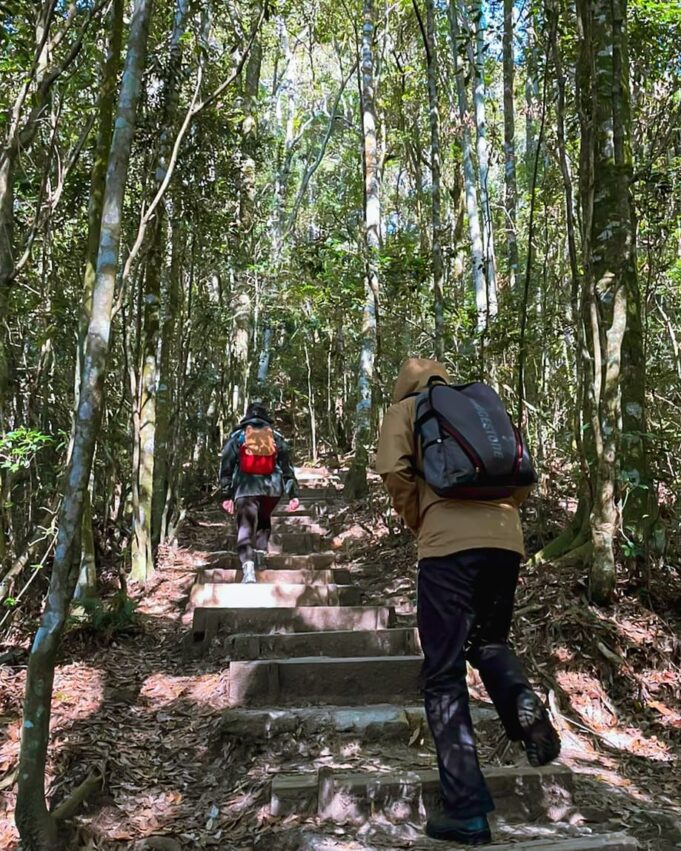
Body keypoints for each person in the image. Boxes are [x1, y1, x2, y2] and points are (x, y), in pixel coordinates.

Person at [376, 358, 560, 846]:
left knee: (443, 673)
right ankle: (521, 703)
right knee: (490, 641)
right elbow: (521, 473)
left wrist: (424, 520)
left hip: (447, 548)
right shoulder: (481, 405)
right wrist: (497, 518)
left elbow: (394, 470)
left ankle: (467, 812)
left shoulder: (405, 410)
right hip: (506, 541)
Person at [219, 403, 299, 583]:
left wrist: (226, 495)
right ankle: (260, 558)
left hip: (245, 488)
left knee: (246, 525)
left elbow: (226, 466)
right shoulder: (276, 437)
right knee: (263, 519)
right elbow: (287, 468)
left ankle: (248, 569)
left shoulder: (238, 436)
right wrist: (292, 494)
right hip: (272, 490)